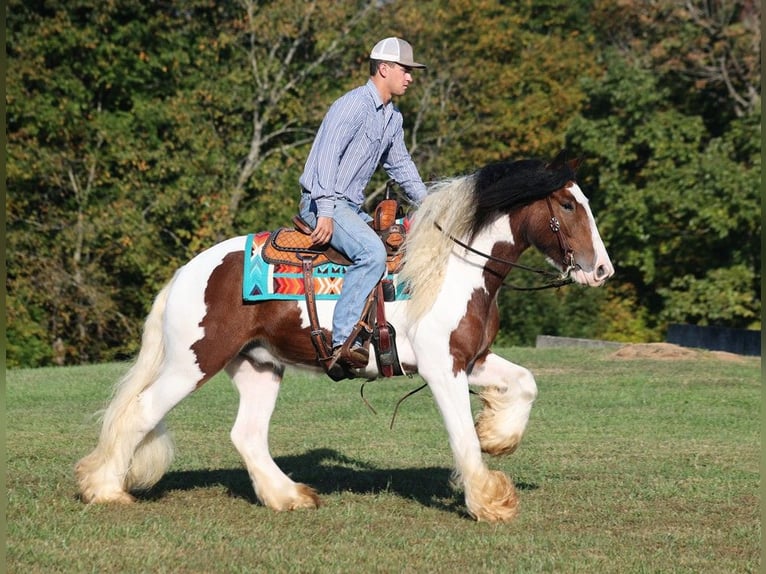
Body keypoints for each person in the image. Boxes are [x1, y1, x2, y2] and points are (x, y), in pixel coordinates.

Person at [298, 37, 428, 369]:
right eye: (405, 70)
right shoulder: (352, 105)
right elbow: (327, 157)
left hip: (350, 209)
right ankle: (343, 342)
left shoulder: (392, 118)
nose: (410, 77)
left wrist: (431, 206)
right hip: (322, 202)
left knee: (399, 245)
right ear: (384, 69)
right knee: (371, 252)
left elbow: (401, 167)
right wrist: (325, 211)